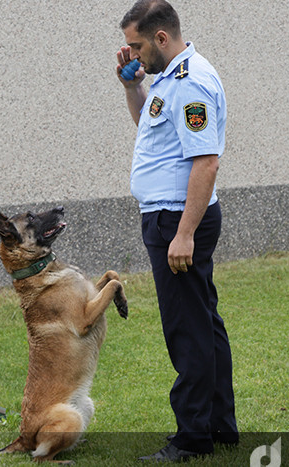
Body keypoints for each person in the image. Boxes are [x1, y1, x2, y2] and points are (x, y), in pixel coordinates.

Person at [116, 0, 238, 462]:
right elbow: (155, 133)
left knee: (187, 328)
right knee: (204, 321)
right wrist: (134, 88)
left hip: (176, 219)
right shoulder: (170, 78)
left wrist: (183, 233)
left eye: (137, 45)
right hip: (170, 214)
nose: (131, 53)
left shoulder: (191, 83)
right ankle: (219, 426)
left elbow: (206, 160)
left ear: (161, 38)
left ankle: (192, 437)